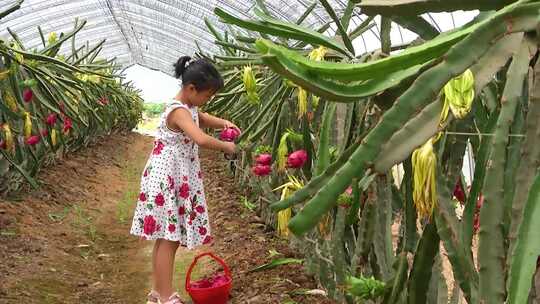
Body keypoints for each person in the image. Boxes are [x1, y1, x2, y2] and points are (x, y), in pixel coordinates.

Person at [130, 56, 239, 304]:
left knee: (166, 238)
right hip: (166, 179)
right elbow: (200, 138)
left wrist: (223, 122)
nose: (207, 101)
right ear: (191, 89)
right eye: (207, 95)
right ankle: (167, 296)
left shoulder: (188, 108)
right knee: (170, 239)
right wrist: (226, 146)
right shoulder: (178, 111)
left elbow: (202, 117)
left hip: (171, 177)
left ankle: (157, 294)